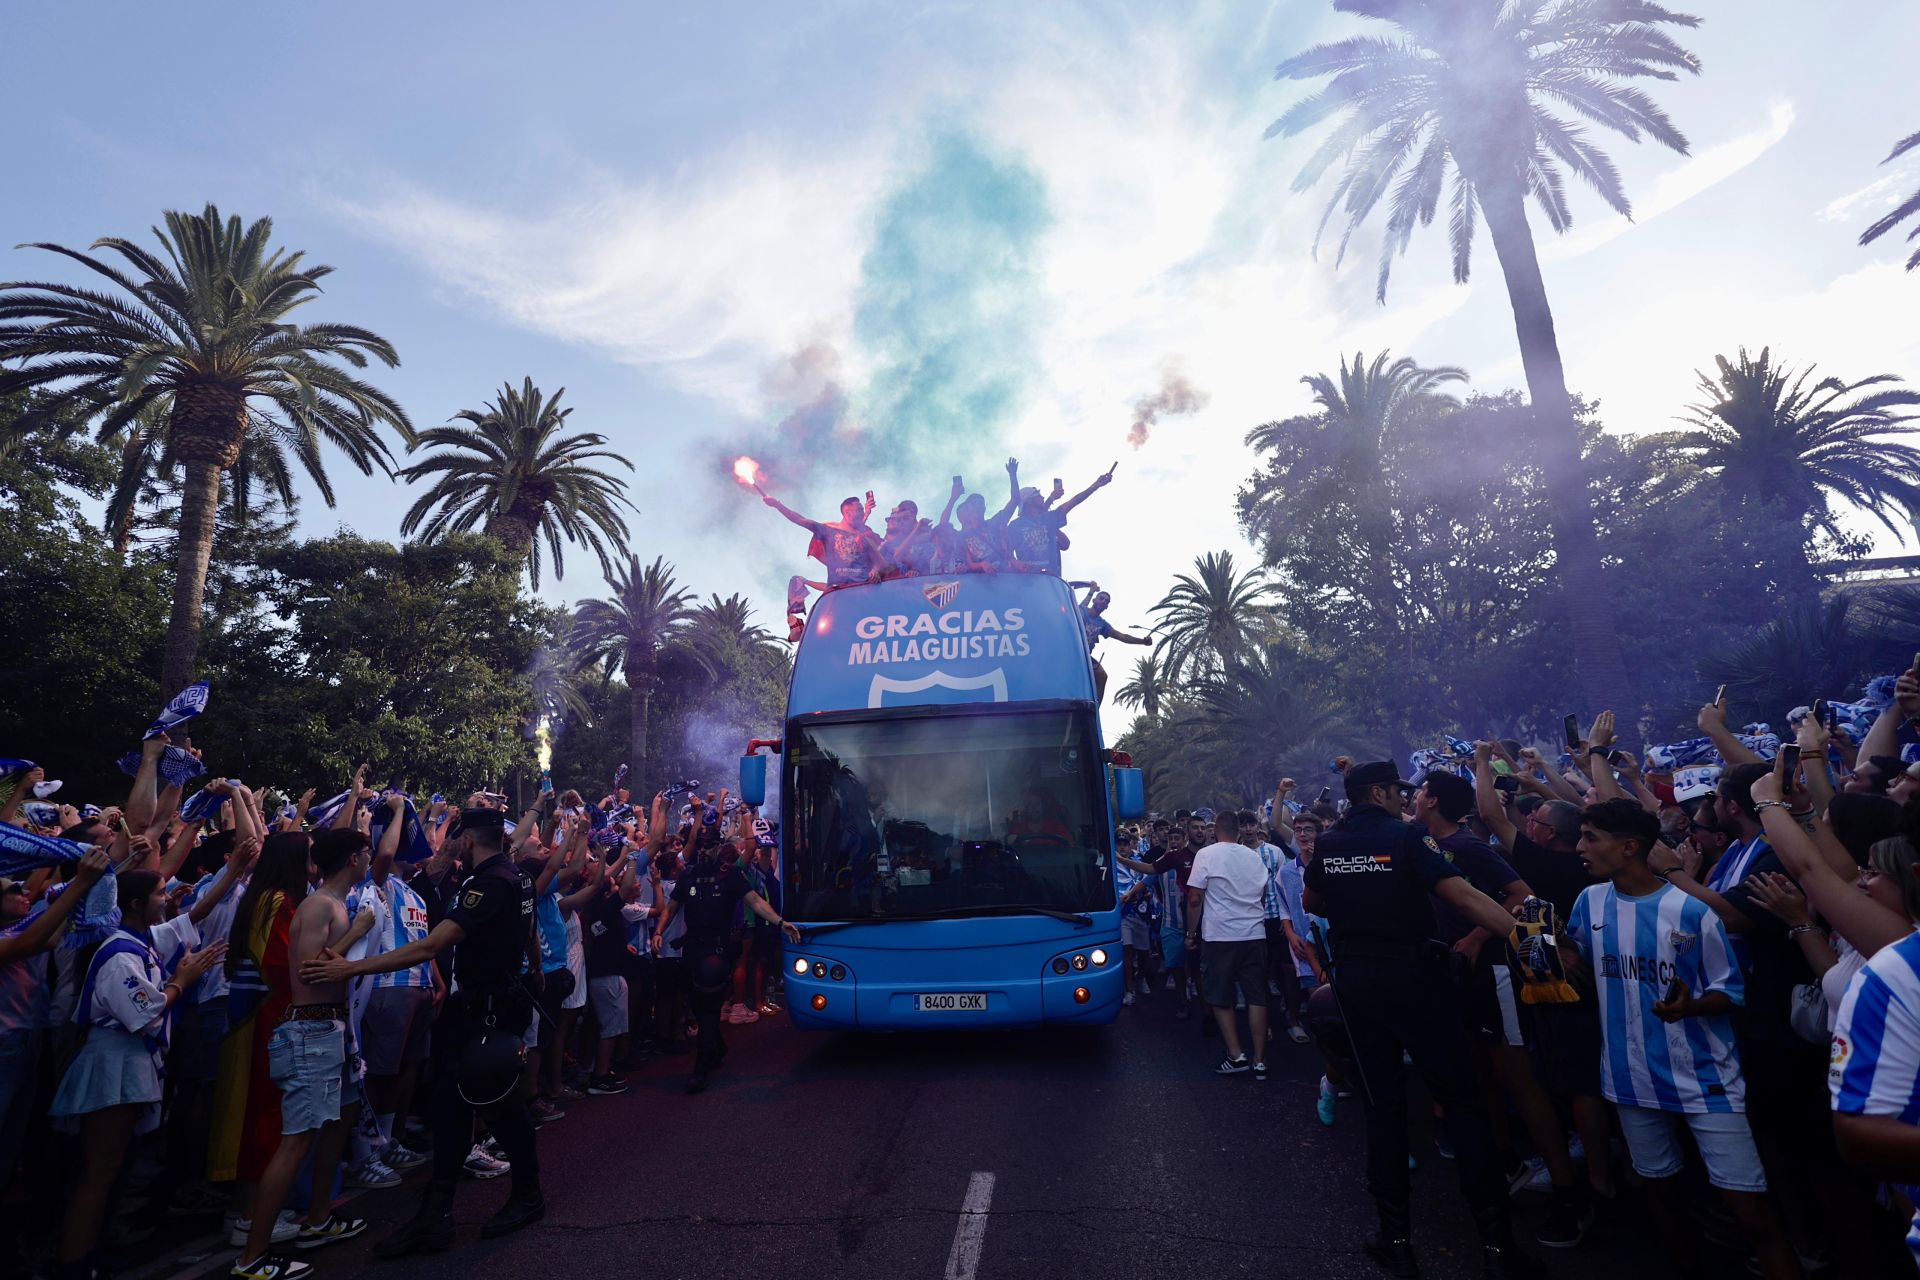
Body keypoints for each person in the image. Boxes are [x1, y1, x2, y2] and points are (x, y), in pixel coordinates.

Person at [1304, 760, 1531, 1279]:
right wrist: (1535, 941)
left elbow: (1311, 898)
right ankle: (1497, 1249)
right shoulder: (1406, 839)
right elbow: (1464, 896)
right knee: (1462, 1103)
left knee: (1382, 1109)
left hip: (1357, 985)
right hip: (1414, 981)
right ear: (1380, 792)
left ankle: (1397, 1243)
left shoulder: (1331, 842)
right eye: (1397, 792)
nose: (1403, 800)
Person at [1559, 798, 1799, 1280]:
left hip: (1705, 1080)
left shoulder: (1691, 912)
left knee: (1751, 1213)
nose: (1579, 847)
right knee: (1662, 1198)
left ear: (1629, 847)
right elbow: (1579, 962)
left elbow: (1730, 994)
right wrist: (1553, 948)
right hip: (1629, 1079)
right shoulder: (1589, 902)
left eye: (1590, 838)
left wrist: (1690, 1007)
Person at [300, 806, 546, 1255]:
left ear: (469, 841)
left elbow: (433, 943)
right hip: (483, 1009)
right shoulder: (516, 877)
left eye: (459, 840)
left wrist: (356, 965)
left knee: (498, 1107)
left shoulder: (491, 882)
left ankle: (525, 1196)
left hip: (486, 1013)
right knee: (451, 1108)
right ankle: (435, 1215)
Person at [53, 866, 231, 1280]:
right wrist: (182, 981)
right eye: (160, 894)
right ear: (135, 904)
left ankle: (90, 1252)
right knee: (98, 1173)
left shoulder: (137, 942)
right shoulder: (118, 952)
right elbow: (143, 1012)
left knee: (113, 1170)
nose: (168, 900)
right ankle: (72, 1264)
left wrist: (182, 973)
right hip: (112, 1063)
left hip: (130, 1062)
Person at [233, 827, 375, 1280]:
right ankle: (251, 1259)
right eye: (367, 854)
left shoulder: (329, 903)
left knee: (333, 1124)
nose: (370, 860)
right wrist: (358, 931)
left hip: (330, 1026)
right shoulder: (318, 906)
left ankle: (318, 1219)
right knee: (295, 1141)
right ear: (353, 859)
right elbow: (313, 970)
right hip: (311, 1028)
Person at [651, 796, 799, 1094]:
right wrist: (659, 930)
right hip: (691, 949)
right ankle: (716, 1047)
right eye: (701, 845)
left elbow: (755, 901)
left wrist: (781, 922)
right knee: (697, 1002)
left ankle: (701, 1067)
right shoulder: (689, 874)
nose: (704, 850)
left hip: (718, 950)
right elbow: (672, 906)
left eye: (709, 845)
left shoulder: (730, 875)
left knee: (708, 1007)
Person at [1185, 809, 1272, 1076]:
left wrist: (1190, 934)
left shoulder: (1206, 855)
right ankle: (1259, 1060)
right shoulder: (1253, 857)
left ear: (1215, 831)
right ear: (1237, 831)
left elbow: (1195, 899)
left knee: (1220, 995)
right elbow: (1262, 895)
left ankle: (1236, 1055)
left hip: (1220, 935)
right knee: (1257, 995)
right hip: (1254, 933)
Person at [759, 487, 891, 585]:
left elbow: (880, 562)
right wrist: (777, 504)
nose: (862, 513)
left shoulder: (864, 537)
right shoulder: (828, 530)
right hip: (839, 591)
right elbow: (799, 519)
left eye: (862, 510)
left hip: (864, 589)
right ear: (847, 513)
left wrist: (875, 570)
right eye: (859, 510)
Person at [1005, 462, 1114, 575]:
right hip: (1027, 581)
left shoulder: (1049, 518)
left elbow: (1074, 501)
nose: (1042, 497)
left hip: (1052, 580)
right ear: (1030, 501)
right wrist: (1014, 561)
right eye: (1038, 495)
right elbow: (1005, 551)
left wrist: (1095, 486)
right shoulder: (1015, 526)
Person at [1072, 583, 1151, 703]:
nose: (1103, 601)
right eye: (1101, 598)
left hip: (1085, 657)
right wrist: (1091, 590)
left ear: (1106, 607)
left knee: (1102, 676)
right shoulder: (1082, 610)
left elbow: (1121, 636)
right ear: (1094, 600)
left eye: (1107, 601)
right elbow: (1076, 612)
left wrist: (1142, 641)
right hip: (1070, 650)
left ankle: (1095, 708)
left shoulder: (1102, 624)